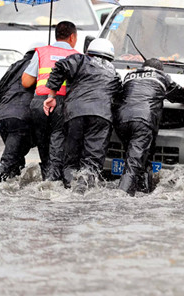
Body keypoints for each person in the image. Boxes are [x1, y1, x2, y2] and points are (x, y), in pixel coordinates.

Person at [43, 38, 122, 193]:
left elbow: (59, 67)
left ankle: (69, 190)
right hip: (101, 117)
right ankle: (83, 191)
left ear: (90, 51)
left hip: (74, 114)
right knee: (92, 161)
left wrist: (51, 95)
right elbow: (118, 98)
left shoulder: (79, 60)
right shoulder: (114, 73)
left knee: (71, 158)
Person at [114, 58, 184, 196]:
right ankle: (120, 198)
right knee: (134, 163)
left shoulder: (129, 76)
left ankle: (143, 191)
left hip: (121, 120)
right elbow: (181, 96)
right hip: (142, 121)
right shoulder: (162, 77)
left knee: (142, 158)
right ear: (160, 69)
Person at [21, 21, 79, 181]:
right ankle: (54, 182)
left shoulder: (41, 52)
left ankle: (47, 178)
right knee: (57, 141)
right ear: (72, 37)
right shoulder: (77, 56)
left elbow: (26, 82)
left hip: (39, 104)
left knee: (43, 143)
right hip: (62, 105)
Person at [0, 48, 37, 189]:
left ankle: (11, 190)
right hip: (21, 118)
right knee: (9, 160)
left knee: (16, 161)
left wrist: (3, 110)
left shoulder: (14, 66)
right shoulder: (39, 65)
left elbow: (0, 89)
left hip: (3, 116)